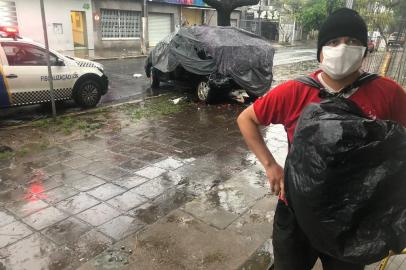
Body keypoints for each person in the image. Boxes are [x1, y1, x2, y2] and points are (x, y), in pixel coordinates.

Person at [237, 8, 406, 270]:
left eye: (352, 42)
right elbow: (246, 119)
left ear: (365, 49)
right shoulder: (294, 91)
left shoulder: (388, 93)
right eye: (333, 42)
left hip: (352, 217)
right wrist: (271, 166)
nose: (342, 48)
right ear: (320, 51)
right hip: (296, 212)